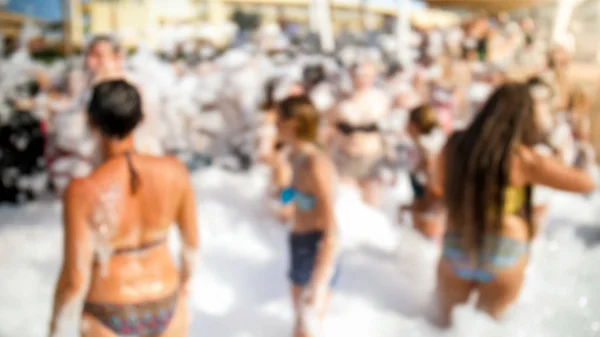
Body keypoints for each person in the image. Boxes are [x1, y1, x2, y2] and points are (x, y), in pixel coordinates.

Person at [433, 83, 596, 325]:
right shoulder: (522, 158)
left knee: (440, 327)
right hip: (504, 251)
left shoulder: (455, 145)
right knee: (485, 329)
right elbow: (585, 183)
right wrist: (580, 145)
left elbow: (439, 187)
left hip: (458, 245)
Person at [49, 80, 199, 337]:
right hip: (168, 303)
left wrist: (55, 326)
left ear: (91, 123)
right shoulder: (175, 171)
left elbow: (75, 278)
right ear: (140, 120)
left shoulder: (83, 191)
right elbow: (192, 245)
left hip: (108, 310)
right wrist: (184, 285)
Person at [276, 96, 339, 337]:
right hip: (300, 242)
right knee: (300, 325)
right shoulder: (295, 157)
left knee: (307, 329)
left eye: (278, 121)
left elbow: (331, 226)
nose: (275, 127)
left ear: (292, 124)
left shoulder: (315, 163)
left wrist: (320, 276)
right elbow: (295, 197)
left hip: (317, 246)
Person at [328, 62, 390, 206]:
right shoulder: (340, 99)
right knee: (345, 200)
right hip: (345, 156)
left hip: (371, 157)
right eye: (360, 75)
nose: (363, 80)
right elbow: (330, 125)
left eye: (367, 76)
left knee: (372, 202)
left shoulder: (379, 99)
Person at [402, 105, 446, 241]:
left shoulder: (426, 144)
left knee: (425, 229)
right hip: (428, 187)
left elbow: (429, 167)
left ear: (413, 125)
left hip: (427, 188)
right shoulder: (436, 138)